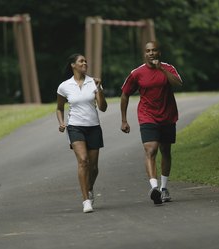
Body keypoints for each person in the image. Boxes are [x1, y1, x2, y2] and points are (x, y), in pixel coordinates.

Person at [120, 41, 183, 205]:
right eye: (148, 51)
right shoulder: (137, 73)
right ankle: (154, 187)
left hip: (167, 116)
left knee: (166, 151)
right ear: (144, 53)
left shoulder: (168, 68)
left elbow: (178, 83)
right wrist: (124, 119)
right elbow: (125, 94)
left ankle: (163, 188)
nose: (151, 53)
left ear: (159, 53)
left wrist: (161, 69)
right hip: (147, 115)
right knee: (151, 149)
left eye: (154, 50)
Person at [56, 53, 107, 213]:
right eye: (81, 61)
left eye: (86, 60)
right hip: (75, 127)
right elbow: (59, 108)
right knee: (83, 161)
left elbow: (103, 107)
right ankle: (86, 200)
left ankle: (89, 188)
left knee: (93, 168)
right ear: (73, 65)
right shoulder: (64, 86)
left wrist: (98, 88)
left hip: (93, 127)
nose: (85, 63)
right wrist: (61, 122)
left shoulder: (94, 82)